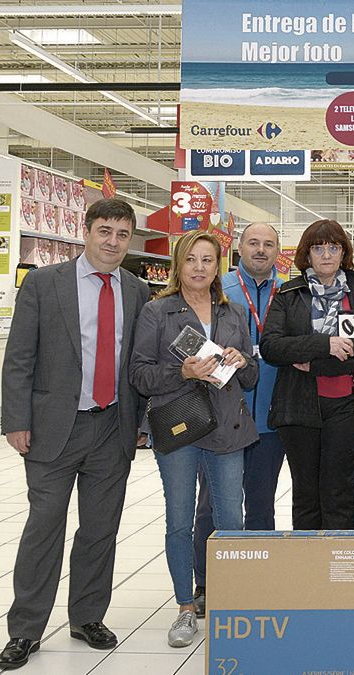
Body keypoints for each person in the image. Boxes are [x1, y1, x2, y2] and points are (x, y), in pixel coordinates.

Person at [0, 198, 149, 670]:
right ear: (86, 231)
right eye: (104, 231)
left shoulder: (137, 289)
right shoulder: (45, 283)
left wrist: (141, 422)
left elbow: (139, 362)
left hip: (112, 426)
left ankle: (87, 616)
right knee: (44, 528)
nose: (112, 242)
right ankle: (25, 629)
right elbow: (20, 355)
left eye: (122, 234)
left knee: (100, 529)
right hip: (52, 427)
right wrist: (16, 420)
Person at [130, 230, 258, 647]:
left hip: (226, 426)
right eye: (191, 260)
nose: (199, 268)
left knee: (231, 521)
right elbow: (140, 375)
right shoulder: (158, 313)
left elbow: (253, 376)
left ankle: (232, 603)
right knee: (179, 521)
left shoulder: (234, 313)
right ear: (178, 265)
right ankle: (186, 607)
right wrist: (182, 372)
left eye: (208, 260)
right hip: (179, 426)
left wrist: (241, 361)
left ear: (217, 266)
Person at [261, 219, 354, 530]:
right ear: (307, 254)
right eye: (318, 248)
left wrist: (316, 364)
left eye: (333, 247)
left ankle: (339, 570)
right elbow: (272, 347)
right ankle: (308, 571)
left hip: (345, 406)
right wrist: (324, 344)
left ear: (343, 252)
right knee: (305, 493)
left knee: (338, 492)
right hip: (298, 405)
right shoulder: (289, 293)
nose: (326, 255)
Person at [189, 222, 283, 618]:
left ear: (279, 251)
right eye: (253, 243)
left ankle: (256, 581)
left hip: (272, 419)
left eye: (269, 244)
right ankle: (208, 583)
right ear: (239, 247)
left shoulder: (291, 294)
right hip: (219, 418)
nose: (260, 250)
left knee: (261, 506)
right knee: (213, 505)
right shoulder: (216, 290)